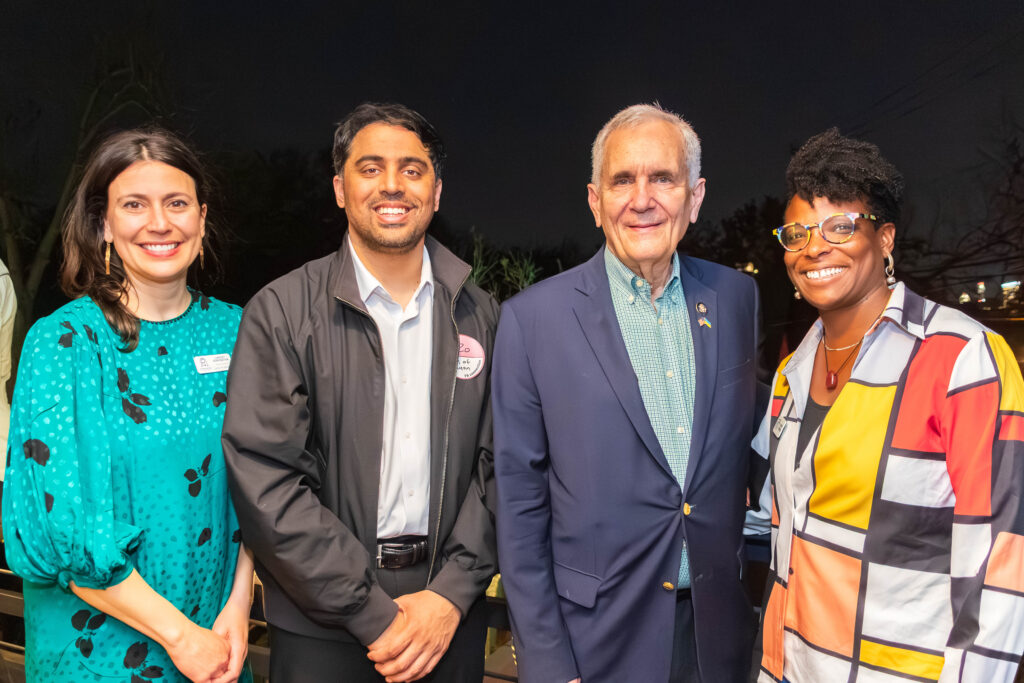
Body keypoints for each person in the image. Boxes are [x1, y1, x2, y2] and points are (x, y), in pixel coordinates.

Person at [222, 102, 498, 683]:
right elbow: (266, 480)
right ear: (340, 189)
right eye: (370, 168)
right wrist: (371, 612)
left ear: (437, 191)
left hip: (449, 620)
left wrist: (450, 594)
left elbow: (502, 467)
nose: (392, 185)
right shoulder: (280, 313)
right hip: (322, 626)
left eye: (412, 169)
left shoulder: (483, 316)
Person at [493, 103, 761, 683]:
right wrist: (545, 661)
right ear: (595, 201)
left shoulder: (738, 298)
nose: (642, 199)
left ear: (694, 196)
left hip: (718, 637)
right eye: (622, 180)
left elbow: (751, 439)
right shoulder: (531, 321)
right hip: (595, 643)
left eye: (663, 178)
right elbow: (518, 506)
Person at [753, 128, 1024, 683]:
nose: (814, 248)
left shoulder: (961, 359)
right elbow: (780, 531)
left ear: (886, 239)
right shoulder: (791, 374)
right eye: (797, 232)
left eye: (841, 226)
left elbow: (1002, 565)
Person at [2, 128, 254, 682]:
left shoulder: (241, 332)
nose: (159, 223)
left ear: (202, 219)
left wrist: (238, 607)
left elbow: (267, 478)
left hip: (219, 646)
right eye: (134, 205)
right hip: (97, 654)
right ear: (104, 225)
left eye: (177, 203)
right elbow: (62, 529)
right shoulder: (64, 343)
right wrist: (179, 637)